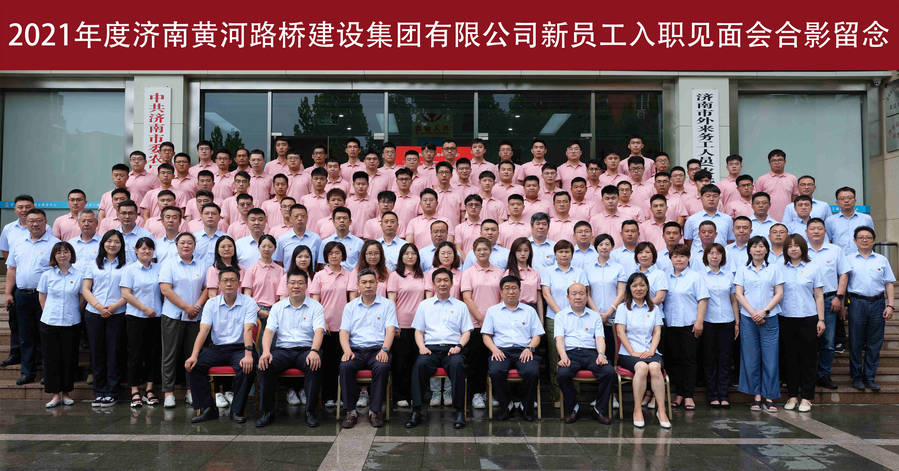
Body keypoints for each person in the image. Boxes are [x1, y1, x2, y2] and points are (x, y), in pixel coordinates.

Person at [185, 266, 258, 423]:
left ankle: (237, 411)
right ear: (219, 284)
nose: (229, 284)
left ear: (239, 283)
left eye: (232, 280)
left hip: (241, 347)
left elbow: (248, 329)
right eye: (225, 280)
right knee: (194, 366)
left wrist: (248, 354)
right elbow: (204, 331)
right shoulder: (211, 304)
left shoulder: (249, 302)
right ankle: (208, 409)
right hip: (218, 348)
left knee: (247, 367)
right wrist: (194, 355)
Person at [256, 270, 326, 428]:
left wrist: (314, 351)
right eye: (292, 283)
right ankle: (267, 412)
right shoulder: (277, 307)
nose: (296, 286)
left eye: (300, 283)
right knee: (264, 365)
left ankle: (310, 412)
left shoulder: (316, 307)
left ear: (306, 286)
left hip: (306, 350)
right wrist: (266, 352)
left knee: (314, 364)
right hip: (283, 350)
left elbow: (319, 331)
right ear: (287, 286)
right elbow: (269, 331)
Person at [405, 268, 472, 430]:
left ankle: (459, 412)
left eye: (446, 280)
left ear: (452, 283)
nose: (442, 284)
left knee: (457, 365)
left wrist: (459, 346)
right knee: (419, 366)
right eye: (439, 281)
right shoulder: (425, 305)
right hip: (430, 349)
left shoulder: (461, 306)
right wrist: (421, 347)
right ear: (433, 284)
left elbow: (466, 332)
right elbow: (419, 331)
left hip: (452, 349)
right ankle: (416, 411)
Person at [5, 208, 60, 385]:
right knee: (25, 335)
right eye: (31, 221)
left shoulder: (55, 244)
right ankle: (27, 373)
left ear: (45, 222)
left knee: (46, 335)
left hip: (46, 297)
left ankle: (48, 373)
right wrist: (8, 293)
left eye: (39, 220)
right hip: (22, 295)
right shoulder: (18, 243)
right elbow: (12, 269)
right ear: (26, 223)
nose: (35, 224)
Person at [338, 269, 398, 428]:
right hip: (355, 350)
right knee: (345, 366)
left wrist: (385, 350)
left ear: (377, 284)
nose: (368, 285)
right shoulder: (350, 306)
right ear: (358, 285)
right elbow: (344, 332)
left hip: (378, 349)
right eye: (364, 282)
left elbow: (390, 329)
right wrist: (347, 350)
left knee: (382, 367)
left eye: (371, 282)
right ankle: (351, 412)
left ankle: (375, 411)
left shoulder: (387, 305)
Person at [483, 275, 544, 421]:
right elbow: (486, 335)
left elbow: (537, 335)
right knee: (496, 372)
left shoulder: (529, 311)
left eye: (514, 288)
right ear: (501, 291)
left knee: (531, 372)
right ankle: (506, 405)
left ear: (520, 290)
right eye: (507, 288)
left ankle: (526, 405)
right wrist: (494, 350)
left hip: (524, 350)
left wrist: (530, 348)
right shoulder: (493, 311)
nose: (511, 292)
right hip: (501, 350)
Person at [159, 232, 209, 408]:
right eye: (182, 243)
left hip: (195, 317)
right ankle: (168, 392)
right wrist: (186, 307)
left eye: (189, 243)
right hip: (173, 316)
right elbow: (165, 289)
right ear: (177, 246)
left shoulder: (202, 264)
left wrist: (197, 306)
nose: (186, 246)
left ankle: (190, 390)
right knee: (170, 354)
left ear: (194, 246)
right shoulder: (169, 264)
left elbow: (207, 288)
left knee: (193, 354)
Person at [614, 272, 671, 429]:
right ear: (629, 288)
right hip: (628, 353)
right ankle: (637, 410)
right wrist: (633, 352)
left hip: (650, 351)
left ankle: (662, 411)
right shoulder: (623, 308)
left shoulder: (654, 309)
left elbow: (657, 332)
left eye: (642, 285)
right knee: (642, 367)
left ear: (647, 288)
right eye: (634, 285)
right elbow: (620, 332)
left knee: (654, 367)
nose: (638, 289)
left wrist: (652, 351)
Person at [734, 236, 784, 412]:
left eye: (761, 246)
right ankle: (755, 395)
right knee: (751, 358)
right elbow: (739, 294)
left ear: (766, 250)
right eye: (754, 246)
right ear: (749, 249)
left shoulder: (774, 268)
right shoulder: (742, 269)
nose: (758, 249)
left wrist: (764, 311)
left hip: (770, 317)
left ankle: (769, 396)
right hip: (748, 319)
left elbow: (779, 293)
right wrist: (753, 312)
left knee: (770, 358)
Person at [555, 282, 616, 424]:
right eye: (574, 294)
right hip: (570, 353)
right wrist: (563, 356)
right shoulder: (561, 316)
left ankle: (599, 409)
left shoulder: (595, 316)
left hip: (591, 353)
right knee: (562, 374)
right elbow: (559, 339)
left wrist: (601, 354)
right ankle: (573, 407)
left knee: (609, 372)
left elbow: (600, 338)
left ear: (587, 296)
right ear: (568, 297)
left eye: (581, 293)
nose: (578, 297)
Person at [81, 230, 128, 407]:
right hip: (94, 313)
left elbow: (129, 291)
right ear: (103, 243)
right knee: (97, 352)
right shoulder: (93, 263)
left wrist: (114, 307)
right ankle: (99, 391)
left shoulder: (127, 265)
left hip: (117, 313)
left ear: (121, 245)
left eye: (116, 242)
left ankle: (112, 392)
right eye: (109, 241)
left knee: (114, 352)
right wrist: (99, 306)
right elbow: (86, 289)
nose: (112, 245)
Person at [845, 226, 895, 391]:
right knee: (855, 342)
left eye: (868, 237)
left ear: (873, 241)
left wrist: (890, 305)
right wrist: (843, 305)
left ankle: (870, 377)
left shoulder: (882, 259)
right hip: (856, 303)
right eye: (861, 237)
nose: (864, 240)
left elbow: (889, 283)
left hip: (877, 303)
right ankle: (856, 377)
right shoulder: (848, 259)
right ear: (855, 241)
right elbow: (843, 282)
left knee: (875, 342)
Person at [780, 234, 825, 412]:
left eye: (796, 246)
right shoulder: (779, 267)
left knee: (808, 359)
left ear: (802, 248)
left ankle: (807, 397)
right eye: (789, 246)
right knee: (790, 358)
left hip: (808, 317)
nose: (793, 249)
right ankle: (792, 395)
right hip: (786, 317)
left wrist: (821, 319)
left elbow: (819, 295)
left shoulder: (813, 267)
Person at [541, 240, 589, 405]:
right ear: (555, 254)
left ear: (572, 254)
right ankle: (557, 396)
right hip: (554, 318)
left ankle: (574, 397)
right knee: (556, 357)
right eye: (560, 252)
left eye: (567, 251)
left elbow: (585, 293)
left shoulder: (579, 272)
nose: (564, 255)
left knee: (574, 355)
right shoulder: (548, 272)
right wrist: (561, 314)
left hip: (577, 318)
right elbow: (546, 294)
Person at [37, 241, 83, 408]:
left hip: (71, 322)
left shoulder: (79, 275)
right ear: (54, 256)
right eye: (59, 252)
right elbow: (42, 297)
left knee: (69, 358)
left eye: (65, 252)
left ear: (71, 254)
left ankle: (67, 393)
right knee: (52, 359)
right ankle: (55, 395)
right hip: (50, 322)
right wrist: (49, 312)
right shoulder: (47, 275)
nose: (62, 255)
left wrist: (74, 311)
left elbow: (81, 297)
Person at [663, 244, 709, 411]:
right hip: (670, 324)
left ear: (688, 258)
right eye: (675, 256)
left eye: (682, 256)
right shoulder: (665, 276)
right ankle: (679, 394)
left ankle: (689, 395)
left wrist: (699, 322)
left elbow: (702, 300)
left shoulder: (695, 277)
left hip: (690, 324)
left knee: (689, 360)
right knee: (674, 360)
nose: (679, 260)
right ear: (671, 259)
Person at [460, 237, 504, 410]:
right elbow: (467, 298)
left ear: (490, 251)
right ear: (474, 252)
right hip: (476, 324)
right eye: (479, 250)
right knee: (476, 361)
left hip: (496, 324)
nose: (482, 252)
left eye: (485, 249)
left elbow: (502, 297)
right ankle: (477, 393)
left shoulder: (499, 272)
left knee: (494, 360)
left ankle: (492, 393)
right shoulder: (468, 272)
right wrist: (481, 319)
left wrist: (492, 320)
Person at [806, 218, 849, 390]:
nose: (816, 231)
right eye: (812, 228)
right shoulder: (801, 250)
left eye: (819, 228)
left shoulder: (835, 250)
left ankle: (824, 375)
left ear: (825, 231)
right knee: (807, 340)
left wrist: (839, 297)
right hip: (806, 300)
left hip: (830, 299)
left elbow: (843, 274)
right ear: (806, 232)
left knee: (828, 341)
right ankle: (808, 375)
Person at [119, 237, 163, 408]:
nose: (146, 251)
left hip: (156, 317)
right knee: (135, 354)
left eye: (149, 249)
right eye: (143, 248)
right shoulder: (130, 270)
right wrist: (144, 308)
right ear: (136, 250)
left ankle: (150, 389)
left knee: (153, 353)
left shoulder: (159, 268)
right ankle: (134, 389)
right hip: (136, 316)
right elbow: (126, 294)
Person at [308, 241, 351, 408]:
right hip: (325, 327)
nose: (334, 256)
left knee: (343, 363)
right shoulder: (319, 275)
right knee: (327, 364)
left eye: (337, 252)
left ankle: (344, 397)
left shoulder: (349, 275)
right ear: (326, 256)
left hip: (344, 327)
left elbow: (352, 300)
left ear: (343, 255)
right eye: (330, 253)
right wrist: (322, 321)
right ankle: (328, 397)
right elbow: (315, 302)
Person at [386, 243, 427, 408]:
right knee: (401, 362)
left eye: (413, 253)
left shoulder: (422, 275)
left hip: (419, 327)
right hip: (401, 326)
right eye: (407, 253)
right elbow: (391, 302)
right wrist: (394, 324)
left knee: (416, 363)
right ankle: (400, 395)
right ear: (401, 257)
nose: (410, 256)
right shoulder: (395, 276)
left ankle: (414, 395)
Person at [699, 243, 739, 408]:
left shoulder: (729, 275)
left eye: (718, 253)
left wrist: (737, 322)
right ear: (706, 256)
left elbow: (734, 300)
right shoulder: (700, 276)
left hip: (727, 321)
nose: (714, 256)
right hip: (708, 321)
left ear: (723, 256)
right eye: (711, 253)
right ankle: (712, 394)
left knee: (725, 359)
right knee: (709, 359)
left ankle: (724, 394)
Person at [584, 234, 627, 360]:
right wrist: (597, 314)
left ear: (612, 247)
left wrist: (608, 313)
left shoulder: (618, 268)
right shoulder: (588, 268)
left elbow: (621, 293)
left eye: (607, 244)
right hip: (593, 316)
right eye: (601, 244)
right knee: (595, 351)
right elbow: (587, 294)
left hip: (613, 317)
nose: (604, 247)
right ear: (596, 247)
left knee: (612, 350)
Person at [241, 235, 281, 323]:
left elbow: (282, 295)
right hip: (255, 310)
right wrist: (258, 310)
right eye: (263, 246)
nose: (266, 249)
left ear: (275, 249)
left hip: (275, 310)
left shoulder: (280, 270)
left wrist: (275, 310)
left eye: (270, 246)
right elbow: (247, 294)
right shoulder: (251, 270)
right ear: (258, 248)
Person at [754, 149, 799, 221]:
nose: (777, 163)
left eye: (780, 160)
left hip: (788, 218)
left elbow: (794, 199)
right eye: (774, 160)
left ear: (785, 162)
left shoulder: (792, 178)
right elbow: (756, 200)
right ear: (769, 163)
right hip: (767, 219)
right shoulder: (761, 179)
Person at [826, 187, 875, 251]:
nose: (846, 201)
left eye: (849, 198)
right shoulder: (830, 221)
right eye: (842, 199)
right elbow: (828, 241)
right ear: (837, 202)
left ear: (855, 201)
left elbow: (871, 239)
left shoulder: (866, 218)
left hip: (861, 255)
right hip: (839, 256)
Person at [504, 237, 543, 316]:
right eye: (519, 250)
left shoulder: (535, 273)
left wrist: (541, 319)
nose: (522, 253)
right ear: (514, 253)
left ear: (530, 252)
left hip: (532, 309)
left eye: (526, 250)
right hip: (515, 308)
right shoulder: (509, 273)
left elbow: (539, 299)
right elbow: (504, 296)